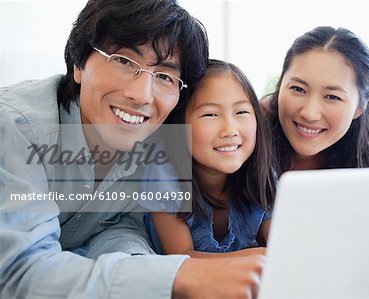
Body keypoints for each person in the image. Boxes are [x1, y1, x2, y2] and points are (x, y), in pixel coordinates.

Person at [0, 1, 265, 298]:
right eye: (124, 61)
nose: (141, 95)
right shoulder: (14, 126)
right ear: (79, 63)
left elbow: (117, 227)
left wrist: (143, 267)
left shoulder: (152, 141)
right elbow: (18, 274)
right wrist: (178, 275)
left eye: (165, 76)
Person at [146, 59, 277, 257]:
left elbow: (280, 245)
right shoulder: (163, 178)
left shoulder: (261, 174)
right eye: (211, 115)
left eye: (241, 112)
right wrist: (259, 256)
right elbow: (183, 260)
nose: (230, 130)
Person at [264, 26, 369, 173]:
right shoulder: (247, 133)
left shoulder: (362, 165)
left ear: (359, 108)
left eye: (332, 97)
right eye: (298, 89)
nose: (310, 114)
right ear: (280, 85)